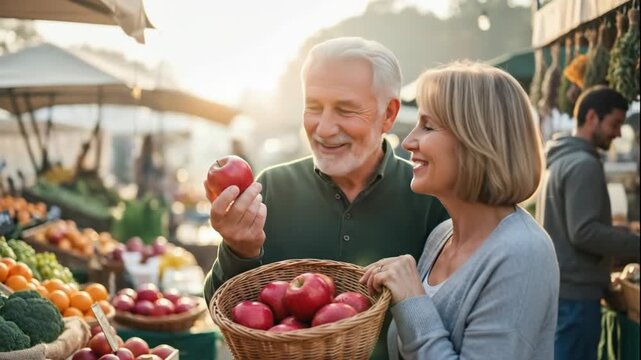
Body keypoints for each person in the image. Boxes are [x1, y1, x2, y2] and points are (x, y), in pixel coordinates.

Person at [203, 37, 449, 358]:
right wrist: (238, 250)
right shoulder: (272, 188)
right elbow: (224, 312)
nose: (324, 128)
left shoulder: (431, 198)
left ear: (387, 115)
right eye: (313, 108)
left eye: (345, 110)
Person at [360, 61, 560, 359]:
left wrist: (412, 302)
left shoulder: (522, 253)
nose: (409, 140)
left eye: (428, 126)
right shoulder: (442, 236)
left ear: (477, 140)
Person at [536, 86, 640, 360]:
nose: (618, 133)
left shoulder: (560, 159)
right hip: (578, 297)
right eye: (615, 124)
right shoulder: (584, 164)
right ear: (592, 117)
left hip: (563, 290)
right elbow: (585, 232)